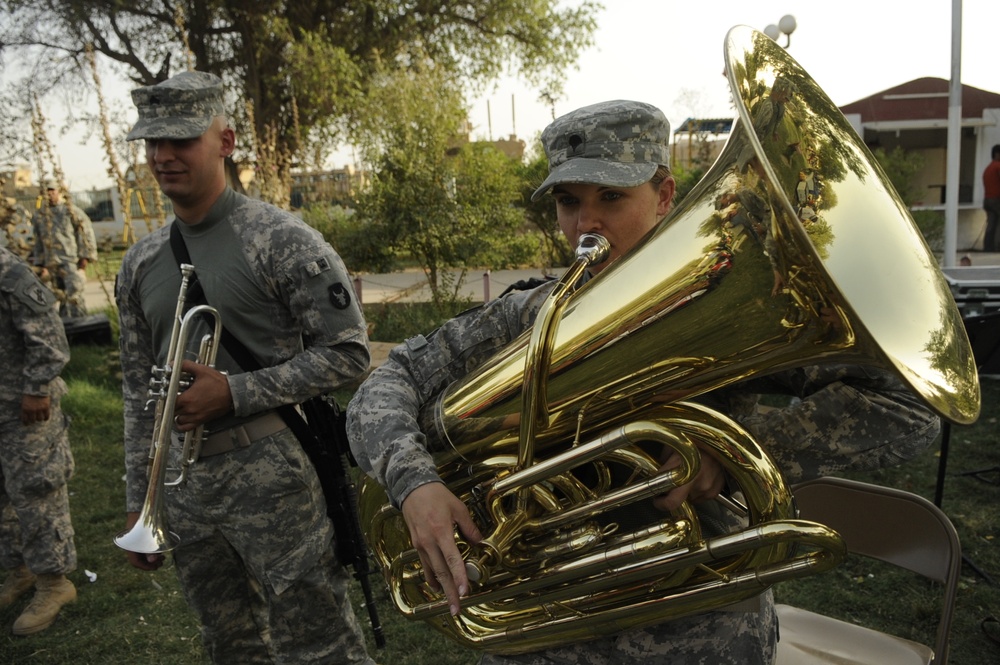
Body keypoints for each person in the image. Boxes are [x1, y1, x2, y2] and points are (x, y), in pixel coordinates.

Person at [346, 100, 942, 664]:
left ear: (663, 196)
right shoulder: (527, 315)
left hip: (698, 637)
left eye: (611, 195)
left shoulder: (729, 305)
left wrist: (739, 447)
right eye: (568, 200)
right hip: (541, 637)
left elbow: (911, 406)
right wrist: (413, 482)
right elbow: (385, 384)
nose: (586, 222)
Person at [116, 71, 375, 664]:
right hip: (181, 486)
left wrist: (235, 392)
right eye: (152, 143)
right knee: (229, 644)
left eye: (180, 140)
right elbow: (138, 392)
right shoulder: (139, 262)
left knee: (318, 643)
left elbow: (350, 353)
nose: (162, 156)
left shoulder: (282, 240)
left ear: (225, 142)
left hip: (274, 475)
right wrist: (140, 499)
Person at [0, 246, 77, 636]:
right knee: (4, 497)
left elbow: (47, 330)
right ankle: (20, 571)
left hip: (24, 408)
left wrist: (36, 389)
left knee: (36, 491)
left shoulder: (5, 268)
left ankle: (54, 583)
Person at [30, 184, 97, 318]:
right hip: (50, 265)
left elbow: (85, 235)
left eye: (52, 191)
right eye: (45, 192)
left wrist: (84, 260)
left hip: (71, 263)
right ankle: (65, 330)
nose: (49, 194)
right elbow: (37, 242)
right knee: (52, 298)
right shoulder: (40, 216)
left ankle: (80, 330)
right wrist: (39, 264)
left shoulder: (71, 212)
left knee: (74, 298)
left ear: (59, 191)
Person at [982, 144, 1000, 253]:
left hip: (987, 199)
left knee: (991, 224)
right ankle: (998, 246)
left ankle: (988, 247)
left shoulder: (988, 168)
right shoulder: (998, 166)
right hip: (996, 199)